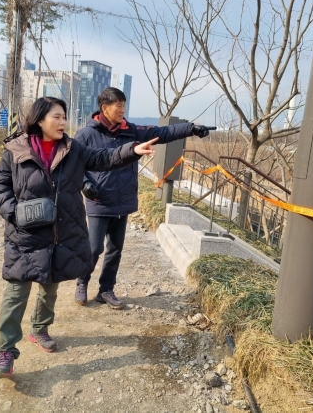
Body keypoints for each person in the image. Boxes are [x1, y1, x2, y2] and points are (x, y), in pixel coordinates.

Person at [0, 96, 157, 378]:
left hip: (59, 234)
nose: (62, 122)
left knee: (50, 286)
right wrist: (13, 212)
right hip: (24, 234)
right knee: (16, 292)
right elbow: (0, 184)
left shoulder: (73, 149)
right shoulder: (15, 149)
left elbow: (104, 158)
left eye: (64, 117)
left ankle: (40, 329)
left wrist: (133, 150)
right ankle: (5, 351)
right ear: (39, 119)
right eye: (56, 117)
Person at [73, 87, 212, 309]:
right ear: (104, 108)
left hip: (124, 198)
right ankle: (82, 282)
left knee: (115, 248)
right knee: (94, 248)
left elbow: (162, 133)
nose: (122, 110)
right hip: (99, 200)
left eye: (124, 105)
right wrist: (84, 183)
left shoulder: (131, 131)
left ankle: (106, 289)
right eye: (118, 105)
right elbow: (74, 164)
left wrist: (192, 129)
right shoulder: (85, 135)